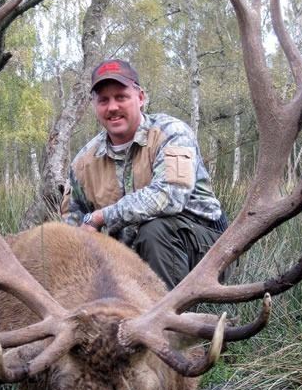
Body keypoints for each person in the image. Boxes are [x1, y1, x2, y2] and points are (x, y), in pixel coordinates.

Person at [61, 59, 227, 290]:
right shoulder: (83, 163)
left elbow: (170, 197)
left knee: (155, 232)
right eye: (103, 100)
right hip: (129, 257)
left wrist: (100, 217)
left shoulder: (171, 133)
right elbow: (73, 226)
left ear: (140, 98)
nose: (112, 107)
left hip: (205, 250)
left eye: (121, 97)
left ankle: (169, 312)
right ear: (94, 106)